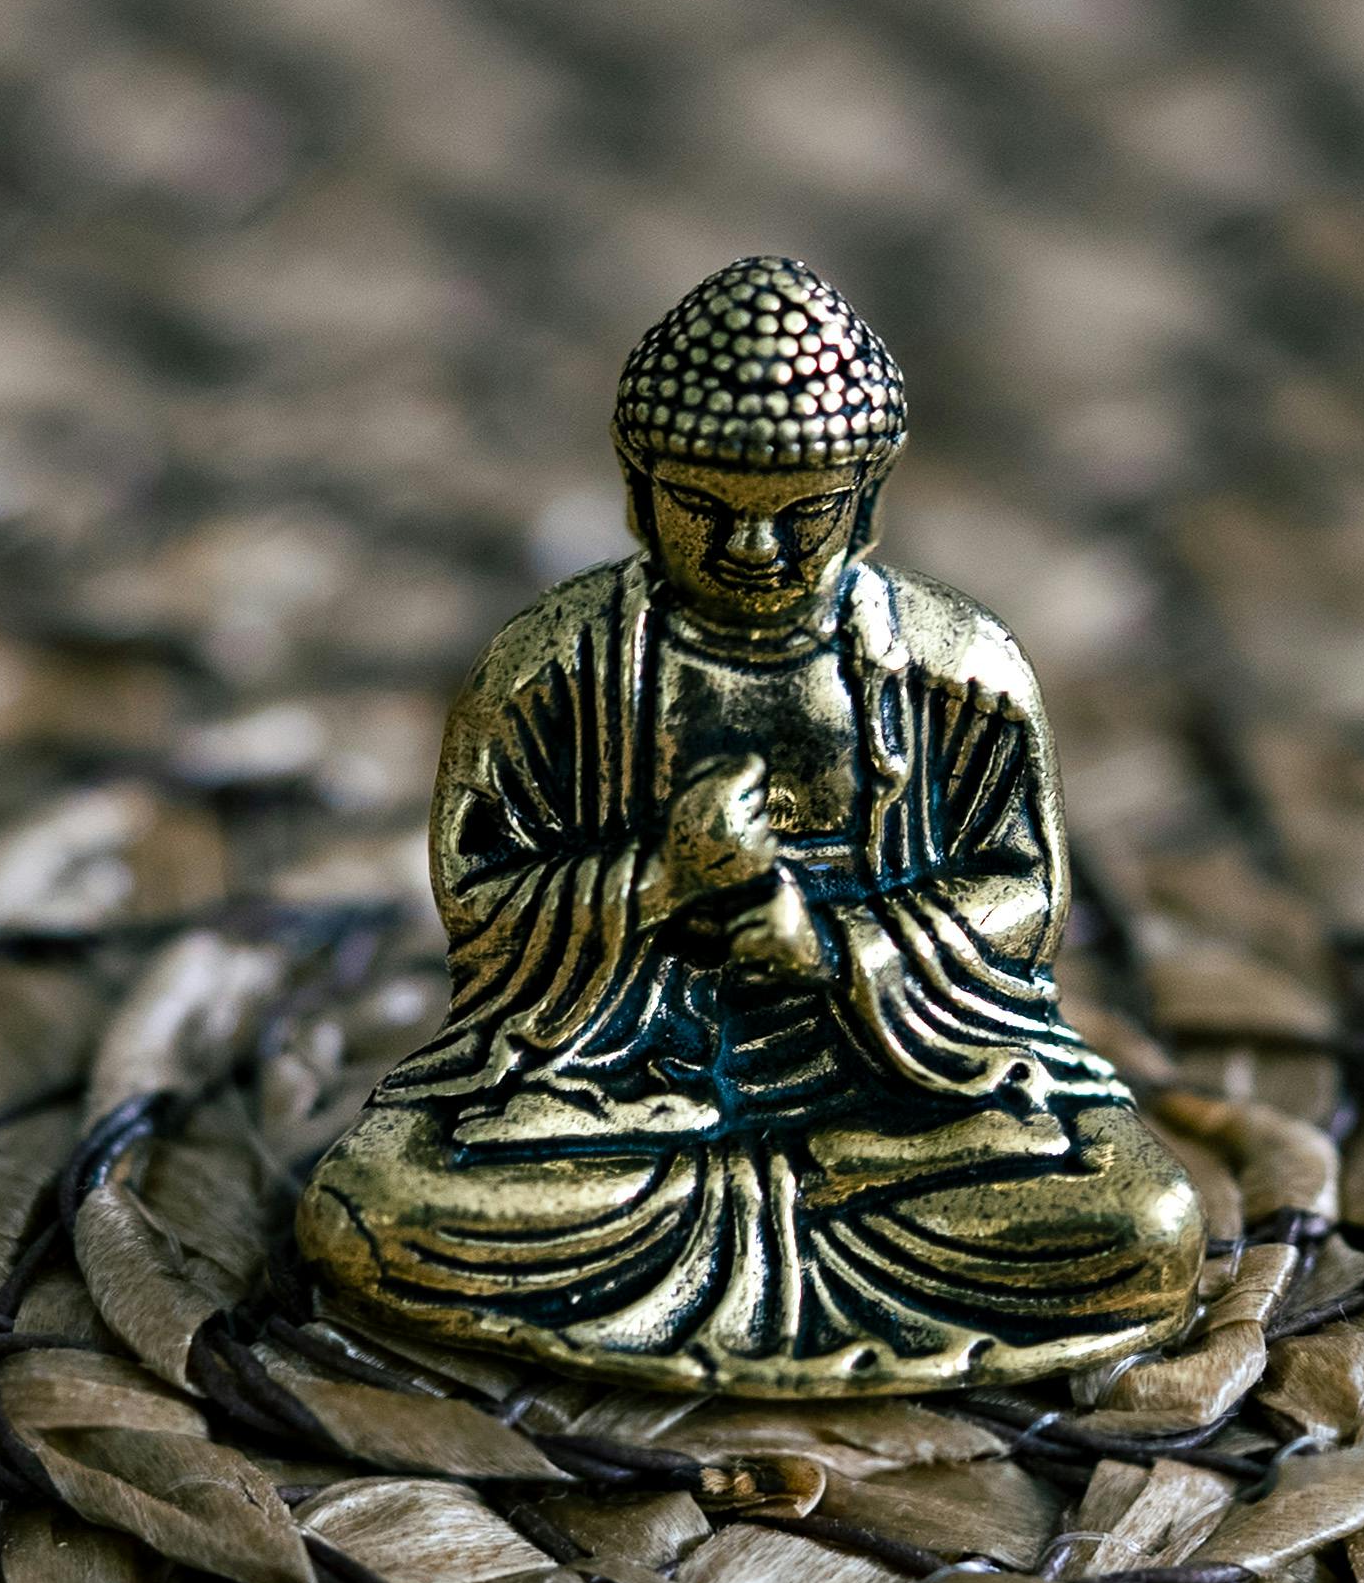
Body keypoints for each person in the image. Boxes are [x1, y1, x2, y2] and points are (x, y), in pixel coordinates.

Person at [295, 256, 1206, 1393]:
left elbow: (1022, 887)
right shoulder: (554, 664)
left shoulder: (958, 667)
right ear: (637, 491)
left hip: (906, 1102)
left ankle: (788, 1215)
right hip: (622, 1094)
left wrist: (835, 949)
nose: (754, 550)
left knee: (1145, 1222)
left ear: (866, 500)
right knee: (376, 1208)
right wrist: (655, 882)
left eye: (802, 515)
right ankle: (786, 1230)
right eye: (706, 509)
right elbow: (482, 893)